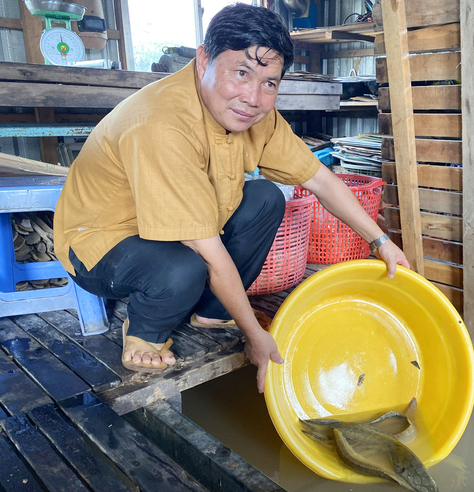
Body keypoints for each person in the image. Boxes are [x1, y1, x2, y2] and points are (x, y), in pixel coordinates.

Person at [54, 4, 409, 392]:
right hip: (100, 243)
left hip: (183, 231)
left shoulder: (255, 116)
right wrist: (255, 334)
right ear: (204, 57)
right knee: (183, 268)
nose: (253, 98)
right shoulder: (162, 124)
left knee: (265, 197)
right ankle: (144, 329)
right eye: (241, 73)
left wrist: (382, 242)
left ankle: (210, 312)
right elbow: (206, 251)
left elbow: (322, 181)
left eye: (269, 83)